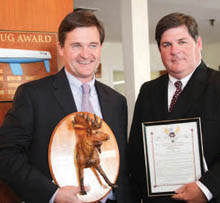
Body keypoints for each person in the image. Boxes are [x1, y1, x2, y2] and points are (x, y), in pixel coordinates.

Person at [0, 9, 133, 203]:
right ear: (61, 48)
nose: (85, 54)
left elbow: (121, 162)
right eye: (76, 45)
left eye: (92, 45)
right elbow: (6, 155)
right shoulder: (32, 95)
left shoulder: (117, 101)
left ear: (100, 48)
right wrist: (53, 194)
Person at [128, 12, 220, 203]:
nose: (175, 50)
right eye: (167, 44)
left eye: (182, 42)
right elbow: (136, 153)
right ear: (160, 50)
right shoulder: (148, 91)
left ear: (198, 44)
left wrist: (206, 188)